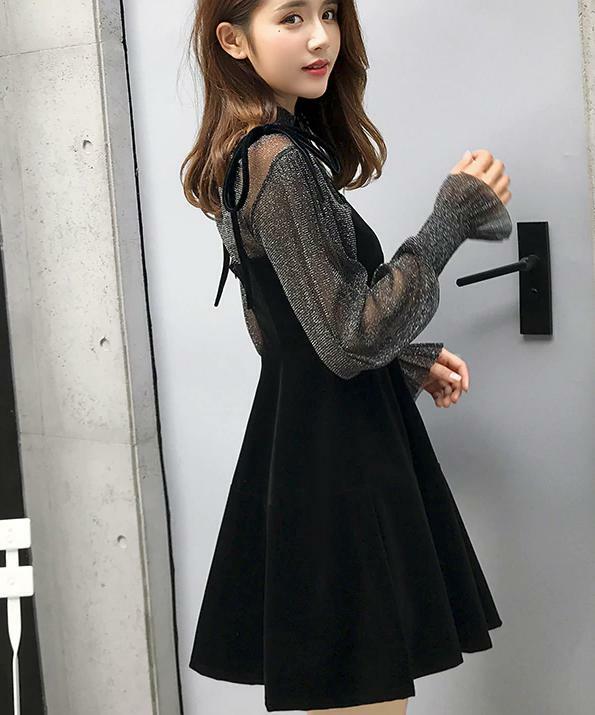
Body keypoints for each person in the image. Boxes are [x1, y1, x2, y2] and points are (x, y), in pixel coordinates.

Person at [182, 1, 512, 713]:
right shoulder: (278, 161)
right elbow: (348, 335)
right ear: (233, 40)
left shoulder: (257, 153)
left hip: (310, 452)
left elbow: (282, 330)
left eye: (328, 13)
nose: (320, 37)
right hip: (335, 470)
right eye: (291, 17)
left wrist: (402, 359)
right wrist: (453, 216)